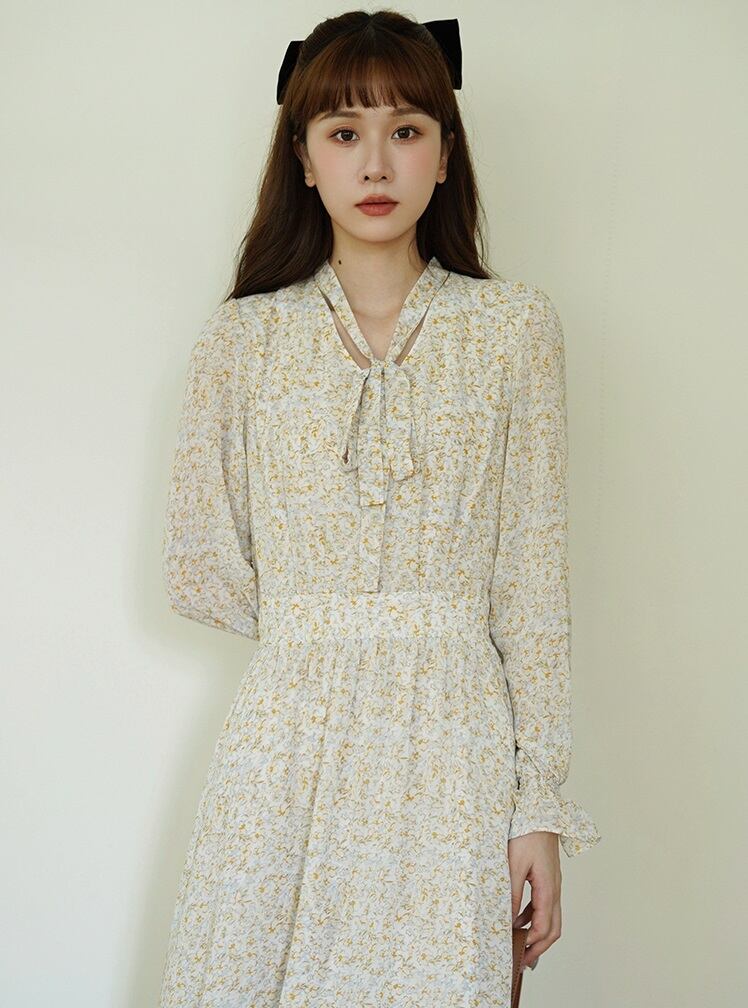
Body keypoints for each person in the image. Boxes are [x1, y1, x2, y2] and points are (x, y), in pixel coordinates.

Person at [158, 10, 601, 1007]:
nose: (375, 162)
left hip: (455, 748)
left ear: (445, 155)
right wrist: (322, 627)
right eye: (343, 131)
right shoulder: (243, 340)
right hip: (283, 750)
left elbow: (533, 588)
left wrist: (537, 806)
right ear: (303, 157)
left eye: (405, 129)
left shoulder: (515, 330)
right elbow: (195, 562)